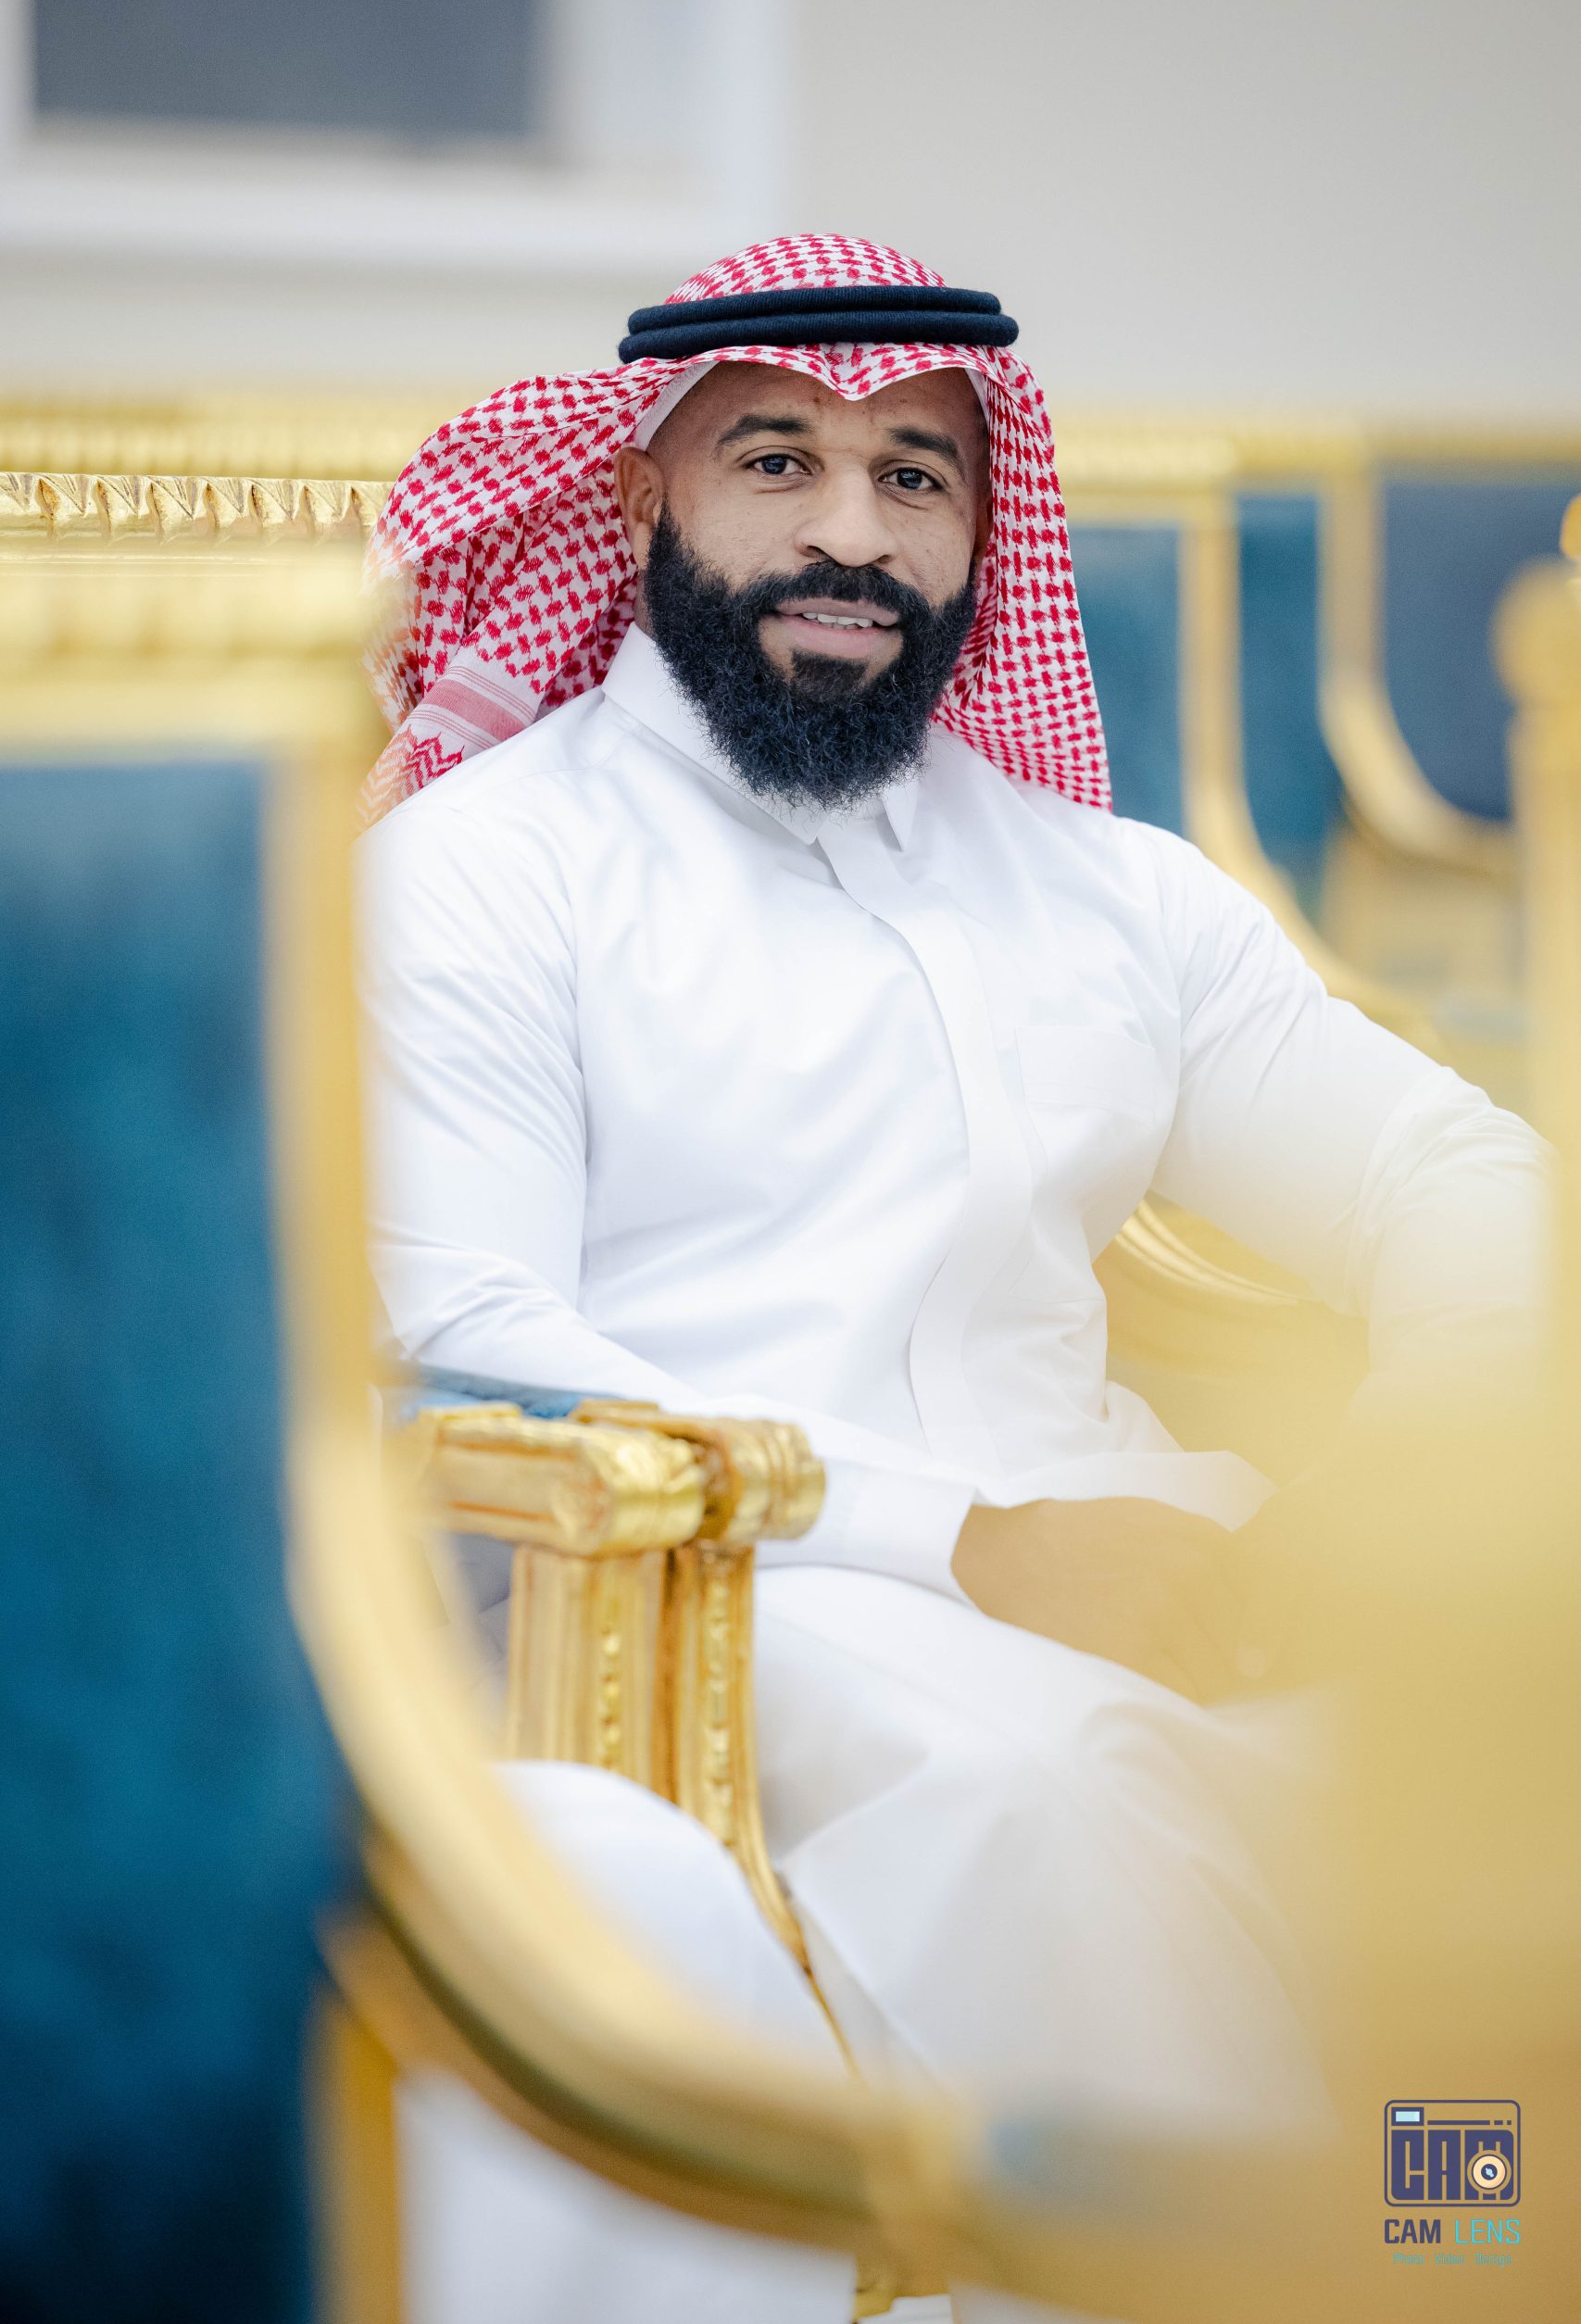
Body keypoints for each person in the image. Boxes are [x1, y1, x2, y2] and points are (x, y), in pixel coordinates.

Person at [358, 235, 1546, 2322]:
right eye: (778, 460)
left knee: (1480, 1729)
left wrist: (1390, 1493)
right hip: (706, 1592)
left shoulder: (1106, 891)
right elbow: (472, 1340)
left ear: (984, 529)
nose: (851, 531)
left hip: (1148, 1545)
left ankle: (1457, 2261)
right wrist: (969, 1538)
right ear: (637, 493)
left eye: (913, 475)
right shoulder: (485, 872)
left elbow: (1457, 1170)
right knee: (1051, 1801)